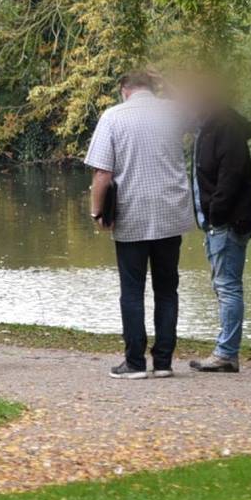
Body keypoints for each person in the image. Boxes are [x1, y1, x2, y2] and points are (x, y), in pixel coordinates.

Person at [85, 69, 197, 379]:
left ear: (124, 89)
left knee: (132, 291)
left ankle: (134, 362)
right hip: (170, 214)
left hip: (132, 214)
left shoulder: (113, 117)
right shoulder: (172, 111)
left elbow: (102, 174)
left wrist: (97, 212)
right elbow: (196, 107)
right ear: (151, 87)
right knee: (167, 289)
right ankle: (163, 362)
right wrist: (168, 81)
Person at [188, 78, 251, 373]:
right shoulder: (212, 125)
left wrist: (216, 214)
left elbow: (228, 177)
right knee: (225, 285)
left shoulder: (224, 127)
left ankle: (226, 353)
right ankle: (226, 350)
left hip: (227, 222)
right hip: (221, 221)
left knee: (228, 287)